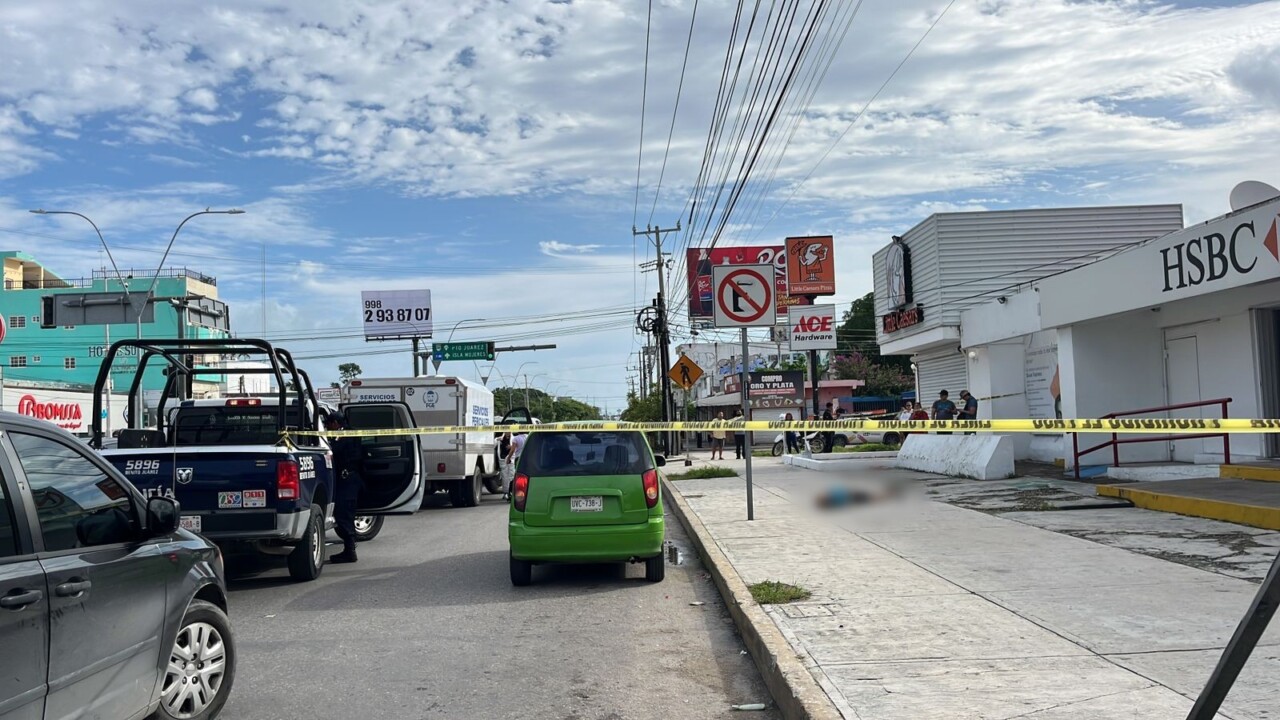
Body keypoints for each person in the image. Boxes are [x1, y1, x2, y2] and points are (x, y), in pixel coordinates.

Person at [325, 412, 363, 564]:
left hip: (348, 479)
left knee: (343, 513)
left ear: (335, 423)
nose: (327, 428)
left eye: (328, 424)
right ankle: (349, 548)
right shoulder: (346, 433)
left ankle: (350, 550)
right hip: (346, 479)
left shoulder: (345, 435)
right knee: (344, 513)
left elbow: (336, 450)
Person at [502, 431, 527, 500]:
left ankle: (511, 493)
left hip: (518, 458)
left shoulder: (515, 439)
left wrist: (508, 458)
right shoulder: (527, 436)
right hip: (527, 458)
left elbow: (512, 450)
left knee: (518, 475)